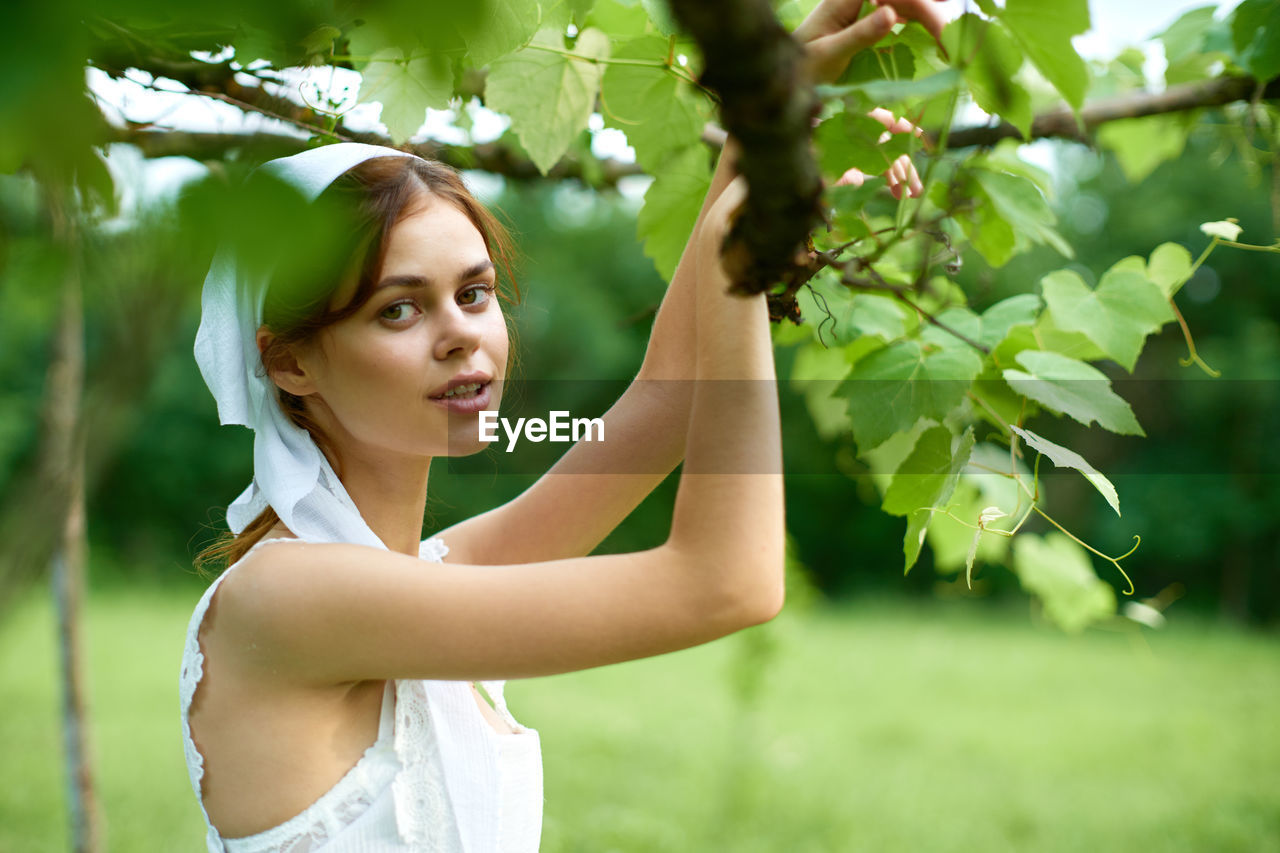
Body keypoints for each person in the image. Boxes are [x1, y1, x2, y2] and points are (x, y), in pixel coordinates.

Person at [178, 1, 943, 850]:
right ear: (289, 362)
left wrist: (767, 120)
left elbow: (667, 394)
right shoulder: (287, 598)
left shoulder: (437, 574)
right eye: (399, 309)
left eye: (473, 294)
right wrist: (744, 238)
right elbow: (729, 580)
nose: (461, 332)